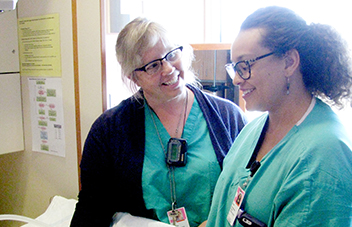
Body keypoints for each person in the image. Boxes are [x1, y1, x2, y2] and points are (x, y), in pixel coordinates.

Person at [70, 17, 247, 227]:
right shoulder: (109, 130)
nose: (168, 69)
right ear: (133, 77)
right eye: (153, 66)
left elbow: (250, 191)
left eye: (172, 55)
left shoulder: (228, 117)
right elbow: (92, 207)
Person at [203, 6, 352, 227]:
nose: (236, 80)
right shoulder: (255, 129)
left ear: (289, 62)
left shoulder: (323, 160)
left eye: (245, 65)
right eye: (235, 67)